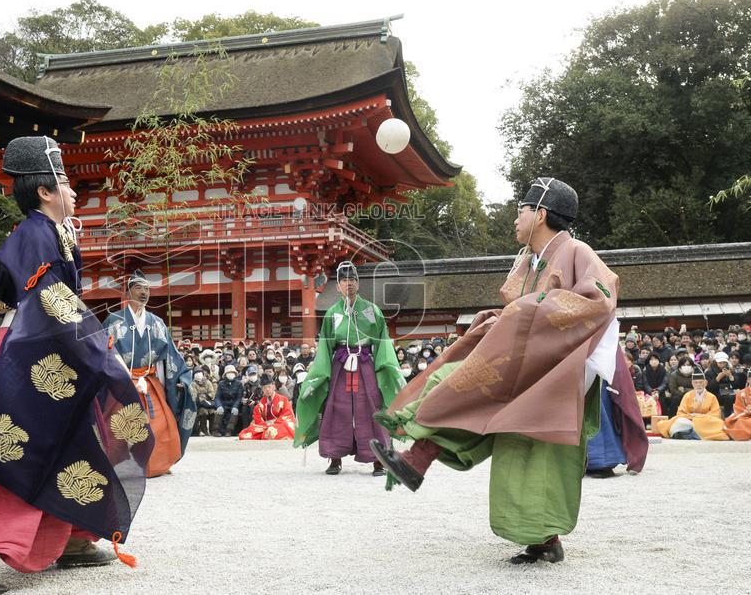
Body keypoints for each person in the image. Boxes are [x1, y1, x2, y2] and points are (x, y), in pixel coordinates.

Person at [0, 136, 153, 593]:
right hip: (23, 355)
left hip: (47, 350)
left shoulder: (52, 231)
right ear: (45, 192)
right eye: (66, 181)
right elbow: (52, 301)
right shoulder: (34, 234)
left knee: (71, 440)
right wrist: (100, 352)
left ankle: (71, 537)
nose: (74, 191)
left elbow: (9, 292)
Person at [370, 177, 621, 564]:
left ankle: (546, 537)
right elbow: (517, 310)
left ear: (540, 214)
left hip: (559, 365)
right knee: (462, 388)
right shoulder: (526, 261)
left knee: (537, 447)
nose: (514, 219)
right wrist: (506, 317)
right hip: (525, 358)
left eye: (520, 211)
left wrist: (531, 309)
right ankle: (420, 455)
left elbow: (599, 300)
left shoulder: (576, 251)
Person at [294, 260, 403, 477]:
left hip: (365, 364)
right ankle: (335, 458)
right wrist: (316, 377)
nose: (349, 284)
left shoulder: (371, 311)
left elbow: (382, 341)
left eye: (352, 280)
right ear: (338, 286)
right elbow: (325, 347)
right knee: (335, 408)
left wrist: (390, 369)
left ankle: (379, 460)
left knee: (372, 408)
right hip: (340, 366)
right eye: (344, 280)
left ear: (358, 283)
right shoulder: (332, 314)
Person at [104, 270, 195, 477]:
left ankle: (158, 464)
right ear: (128, 293)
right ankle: (123, 467)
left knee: (161, 424)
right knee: (121, 424)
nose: (144, 292)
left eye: (147, 289)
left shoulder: (157, 322)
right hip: (124, 382)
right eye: (138, 288)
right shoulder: (114, 320)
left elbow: (170, 354)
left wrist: (181, 377)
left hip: (149, 381)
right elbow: (104, 353)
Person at [654, 373, 729, 440]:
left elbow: (716, 414)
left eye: (701, 382)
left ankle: (689, 434)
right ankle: (692, 434)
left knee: (719, 424)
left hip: (706, 422)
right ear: (692, 384)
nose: (698, 385)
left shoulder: (712, 397)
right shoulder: (687, 396)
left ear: (705, 383)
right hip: (689, 421)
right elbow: (680, 413)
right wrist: (691, 417)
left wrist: (699, 417)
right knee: (679, 422)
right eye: (696, 383)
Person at [213, 365, 243, 436]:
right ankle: (215, 430)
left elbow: (239, 397)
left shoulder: (239, 384)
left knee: (234, 413)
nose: (230, 374)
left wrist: (235, 406)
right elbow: (217, 397)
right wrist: (219, 406)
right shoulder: (221, 383)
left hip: (233, 403)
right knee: (219, 412)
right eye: (229, 372)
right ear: (225, 374)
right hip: (224, 404)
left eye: (232, 372)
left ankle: (229, 431)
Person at [192, 369, 217, 437]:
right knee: (203, 411)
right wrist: (203, 396)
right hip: (199, 404)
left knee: (213, 411)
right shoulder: (193, 384)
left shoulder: (208, 382)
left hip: (209, 402)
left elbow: (212, 393)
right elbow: (194, 395)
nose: (198, 375)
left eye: (200, 373)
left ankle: (212, 430)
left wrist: (205, 395)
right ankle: (204, 430)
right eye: (196, 374)